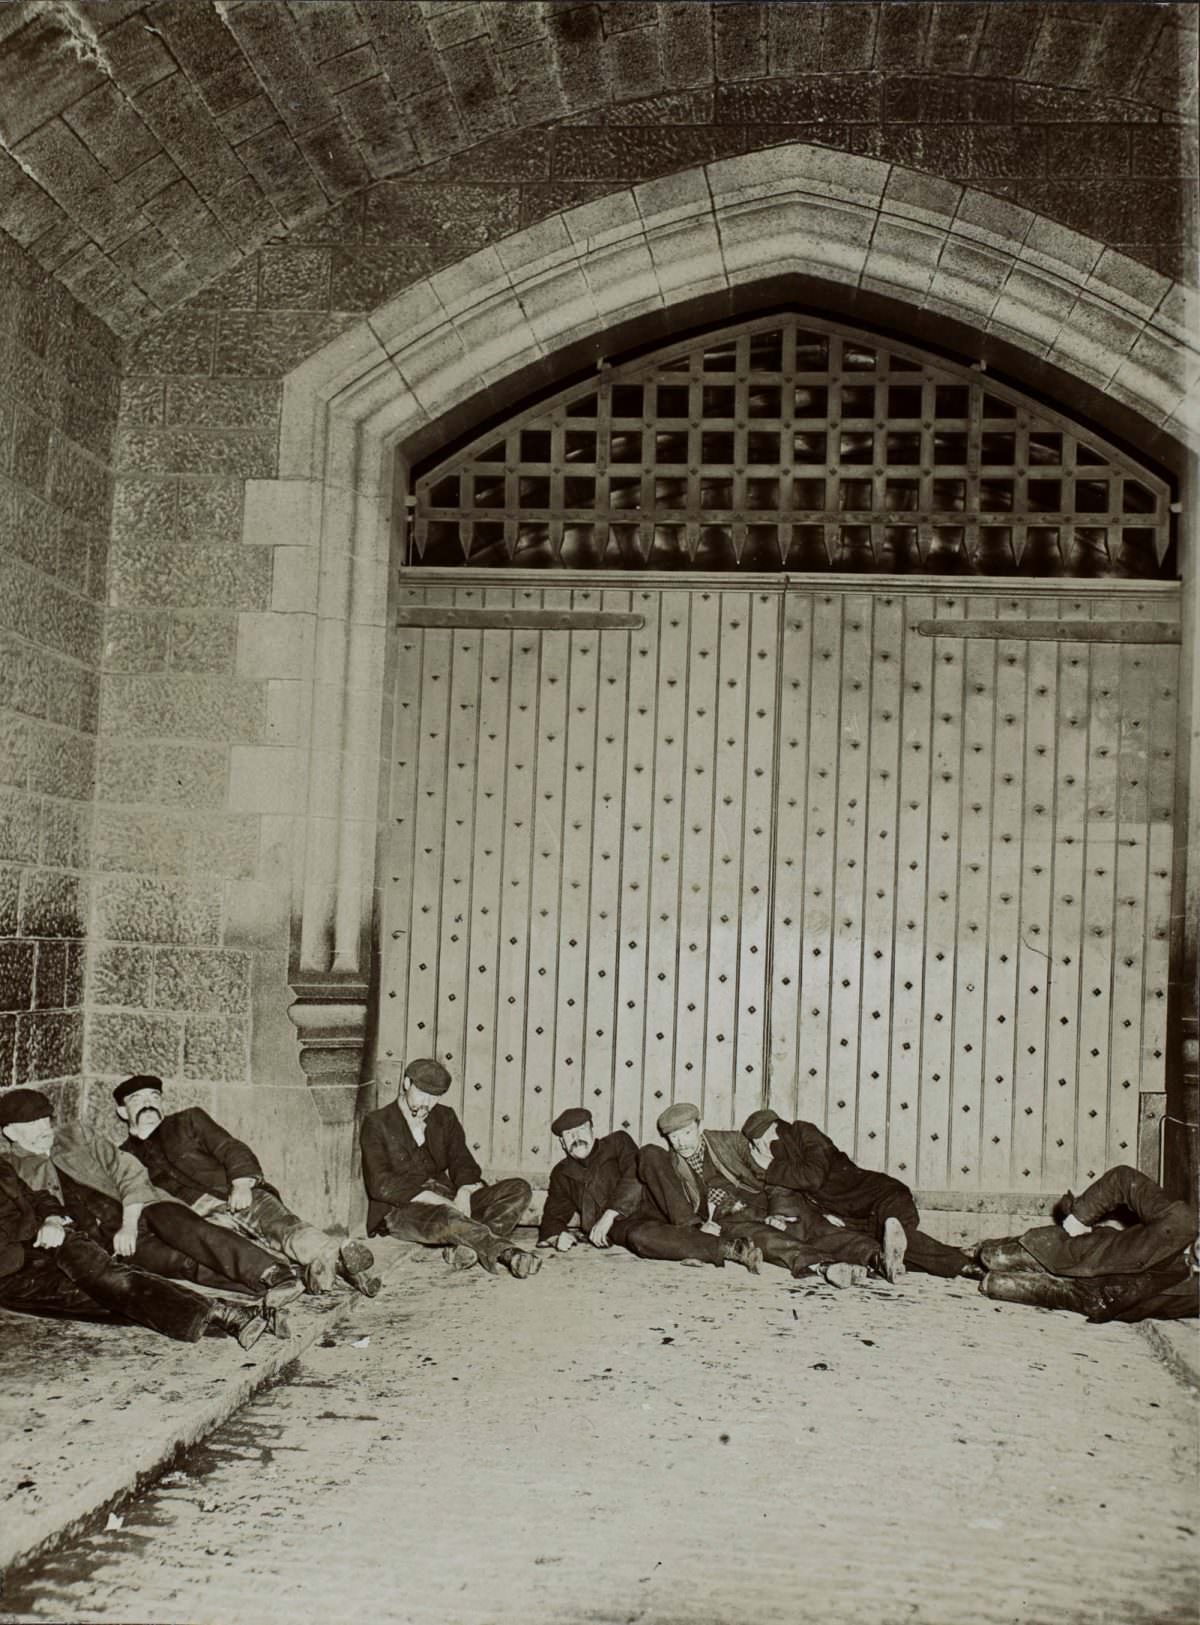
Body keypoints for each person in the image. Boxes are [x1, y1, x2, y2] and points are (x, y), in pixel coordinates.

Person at [0, 1089, 303, 1319]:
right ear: (10, 1132)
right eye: (31, 1124)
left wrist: (129, 1224)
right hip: (105, 1240)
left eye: (45, 1120)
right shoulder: (12, 1168)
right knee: (180, 1265)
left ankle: (273, 1272)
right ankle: (268, 1291)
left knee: (191, 1231)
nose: (44, 1130)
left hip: (142, 1206)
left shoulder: (77, 1135)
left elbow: (129, 1171)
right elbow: (37, 1210)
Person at [114, 1074, 378, 1298]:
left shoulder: (187, 1121)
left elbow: (231, 1148)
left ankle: (332, 1252)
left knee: (282, 1226)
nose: (148, 1104)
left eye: (153, 1097)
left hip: (235, 1194)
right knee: (243, 1254)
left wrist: (241, 1183)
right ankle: (337, 1268)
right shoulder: (123, 1157)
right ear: (123, 1112)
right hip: (201, 1221)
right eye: (137, 1100)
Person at [0, 1156, 270, 1348]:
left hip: (52, 1238)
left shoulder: (3, 1167)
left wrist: (51, 1220)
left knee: (111, 1279)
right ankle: (234, 1316)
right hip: (12, 1273)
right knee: (106, 1304)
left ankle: (228, 1316)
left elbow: (39, 1198)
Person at [639, 1102, 881, 1286]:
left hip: (765, 1200)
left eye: (687, 1133)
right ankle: (826, 1267)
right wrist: (701, 1226)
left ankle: (875, 1258)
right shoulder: (669, 1165)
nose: (681, 1142)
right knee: (769, 1241)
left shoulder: (731, 1142)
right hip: (729, 1218)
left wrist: (779, 1211)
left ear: (700, 1127)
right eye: (674, 1137)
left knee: (813, 1227)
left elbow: (772, 1172)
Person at [741, 1109, 979, 1282]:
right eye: (756, 1145)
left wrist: (770, 1168)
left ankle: (968, 1265)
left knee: (898, 1237)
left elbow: (814, 1177)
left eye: (761, 1141)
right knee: (894, 1252)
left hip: (884, 1197)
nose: (761, 1148)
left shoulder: (804, 1132)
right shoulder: (785, 1165)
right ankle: (974, 1258)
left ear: (775, 1129)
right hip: (861, 1220)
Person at [361, 1059, 541, 1279]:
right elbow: (381, 1185)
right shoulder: (377, 1122)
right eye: (422, 1093)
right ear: (406, 1083)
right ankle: (507, 1253)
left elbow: (462, 1161)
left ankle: (465, 1244)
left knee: (518, 1188)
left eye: (435, 1096)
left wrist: (464, 1191)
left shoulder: (444, 1117)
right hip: (402, 1209)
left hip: (448, 1195)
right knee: (448, 1217)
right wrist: (442, 1202)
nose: (427, 1102)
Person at [537, 1107, 762, 1272]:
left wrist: (609, 1214)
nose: (577, 1138)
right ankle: (731, 1249)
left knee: (650, 1152)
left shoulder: (617, 1142)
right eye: (569, 1135)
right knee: (639, 1238)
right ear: (562, 1143)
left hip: (657, 1202)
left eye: (581, 1130)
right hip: (624, 1226)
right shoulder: (562, 1172)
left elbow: (635, 1176)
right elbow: (553, 1215)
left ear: (592, 1129)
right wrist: (556, 1236)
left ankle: (692, 1225)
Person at [975, 1164, 1198, 1322]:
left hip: (1086, 1299)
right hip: (1080, 1255)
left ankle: (974, 1271)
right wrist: (1079, 1219)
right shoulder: (1180, 1220)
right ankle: (968, 1258)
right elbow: (1123, 1178)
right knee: (990, 1256)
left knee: (993, 1284)